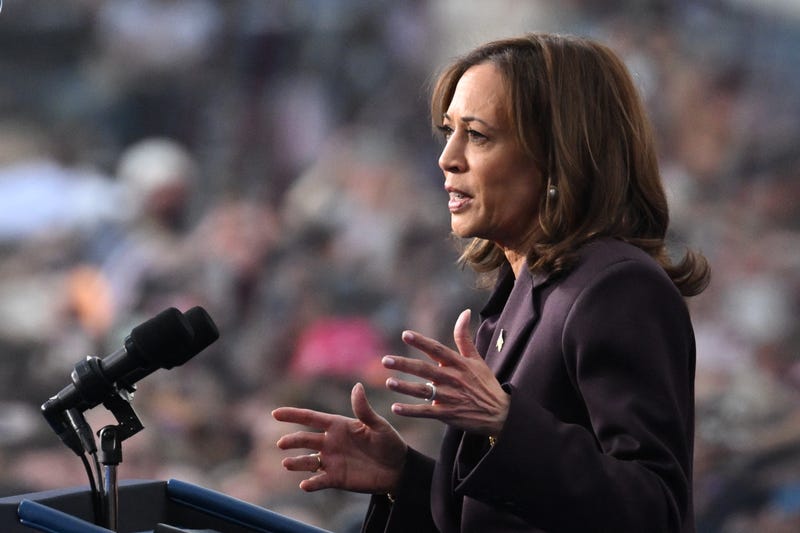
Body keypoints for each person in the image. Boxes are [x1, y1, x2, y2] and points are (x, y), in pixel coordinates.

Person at [272, 32, 710, 532]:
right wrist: (404, 478)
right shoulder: (522, 295)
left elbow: (656, 513)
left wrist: (507, 422)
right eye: (448, 131)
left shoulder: (617, 289)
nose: (447, 158)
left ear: (556, 155)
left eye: (477, 135)